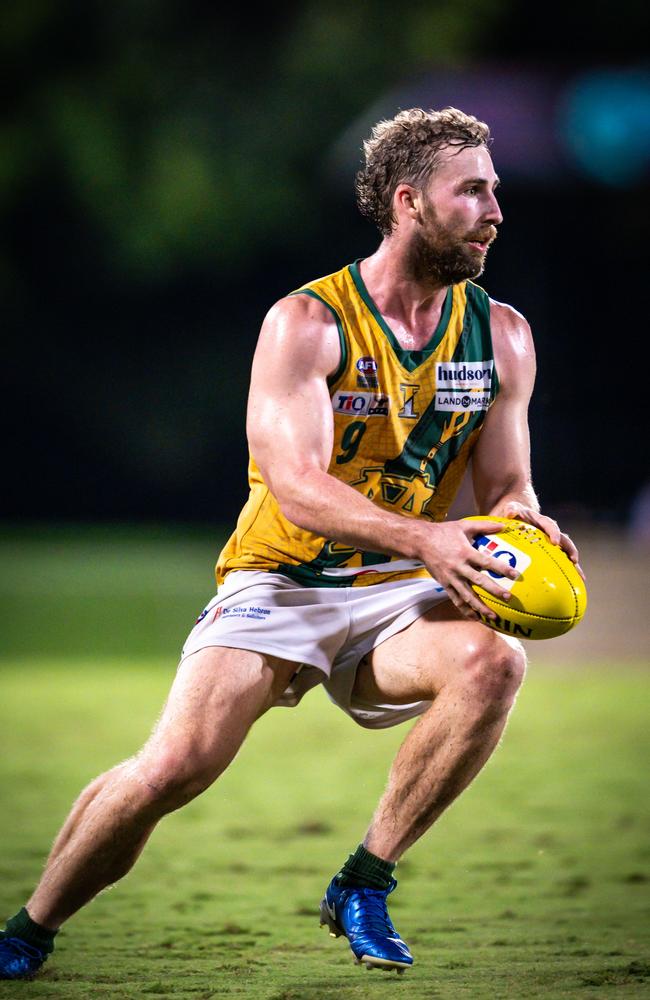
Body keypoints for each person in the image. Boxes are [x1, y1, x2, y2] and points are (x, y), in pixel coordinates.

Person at [0, 107, 582, 979]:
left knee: (494, 665)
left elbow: (504, 484)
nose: (496, 209)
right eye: (474, 192)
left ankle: (364, 880)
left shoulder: (502, 335)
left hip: (398, 589)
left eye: (495, 190)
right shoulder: (308, 324)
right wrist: (427, 538)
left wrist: (519, 528)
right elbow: (298, 487)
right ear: (409, 201)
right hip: (284, 578)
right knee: (173, 769)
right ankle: (30, 928)